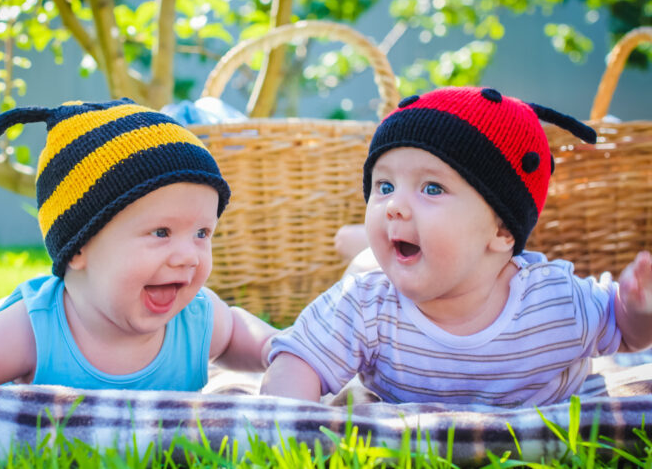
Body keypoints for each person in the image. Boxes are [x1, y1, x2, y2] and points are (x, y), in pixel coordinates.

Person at [261, 86, 652, 407]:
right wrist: (285, 428)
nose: (394, 205)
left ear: (501, 230)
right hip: (381, 276)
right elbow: (299, 359)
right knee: (367, 265)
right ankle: (359, 245)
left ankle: (357, 243)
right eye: (384, 187)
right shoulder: (366, 305)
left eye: (432, 188)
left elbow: (626, 332)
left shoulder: (554, 302)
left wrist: (637, 309)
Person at [0, 98, 277, 392]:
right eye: (161, 233)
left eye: (202, 234)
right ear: (78, 248)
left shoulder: (197, 319)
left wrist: (282, 351)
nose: (188, 256)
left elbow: (259, 341)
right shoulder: (32, 328)